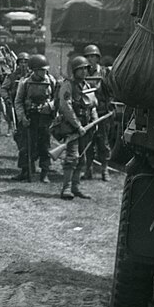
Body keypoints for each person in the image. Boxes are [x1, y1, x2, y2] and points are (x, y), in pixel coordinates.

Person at [56, 56, 97, 200]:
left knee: (82, 158)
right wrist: (78, 126)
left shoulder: (86, 86)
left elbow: (92, 105)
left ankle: (76, 187)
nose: (85, 72)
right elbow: (65, 106)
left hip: (85, 127)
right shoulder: (68, 85)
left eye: (86, 69)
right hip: (72, 127)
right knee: (72, 157)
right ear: (75, 70)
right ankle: (66, 188)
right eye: (81, 69)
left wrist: (95, 120)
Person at [13, 54, 57, 183]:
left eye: (45, 70)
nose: (43, 72)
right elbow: (18, 101)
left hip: (44, 119)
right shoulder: (25, 82)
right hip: (29, 118)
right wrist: (22, 118)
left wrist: (49, 106)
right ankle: (25, 171)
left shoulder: (51, 81)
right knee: (26, 146)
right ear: (34, 70)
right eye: (40, 70)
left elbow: (57, 99)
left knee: (45, 146)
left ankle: (44, 172)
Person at [81, 43, 111, 181]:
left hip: (102, 111)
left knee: (103, 142)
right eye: (87, 57)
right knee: (88, 142)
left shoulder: (104, 72)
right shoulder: (82, 73)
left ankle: (105, 170)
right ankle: (88, 169)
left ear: (98, 58)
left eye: (93, 57)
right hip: (87, 113)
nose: (90, 59)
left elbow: (111, 90)